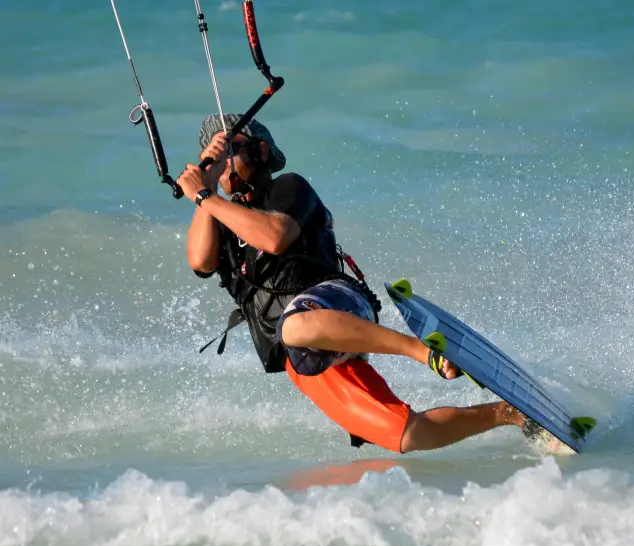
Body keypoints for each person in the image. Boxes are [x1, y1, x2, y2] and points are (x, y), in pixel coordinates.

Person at [175, 113, 549, 454]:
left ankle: (423, 352)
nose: (222, 166)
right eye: (212, 159)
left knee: (294, 325)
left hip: (336, 301)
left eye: (229, 151)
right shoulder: (219, 218)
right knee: (406, 435)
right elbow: (201, 261)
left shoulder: (288, 189)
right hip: (302, 352)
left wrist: (206, 194)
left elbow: (274, 237)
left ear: (261, 150)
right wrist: (203, 193)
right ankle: (509, 414)